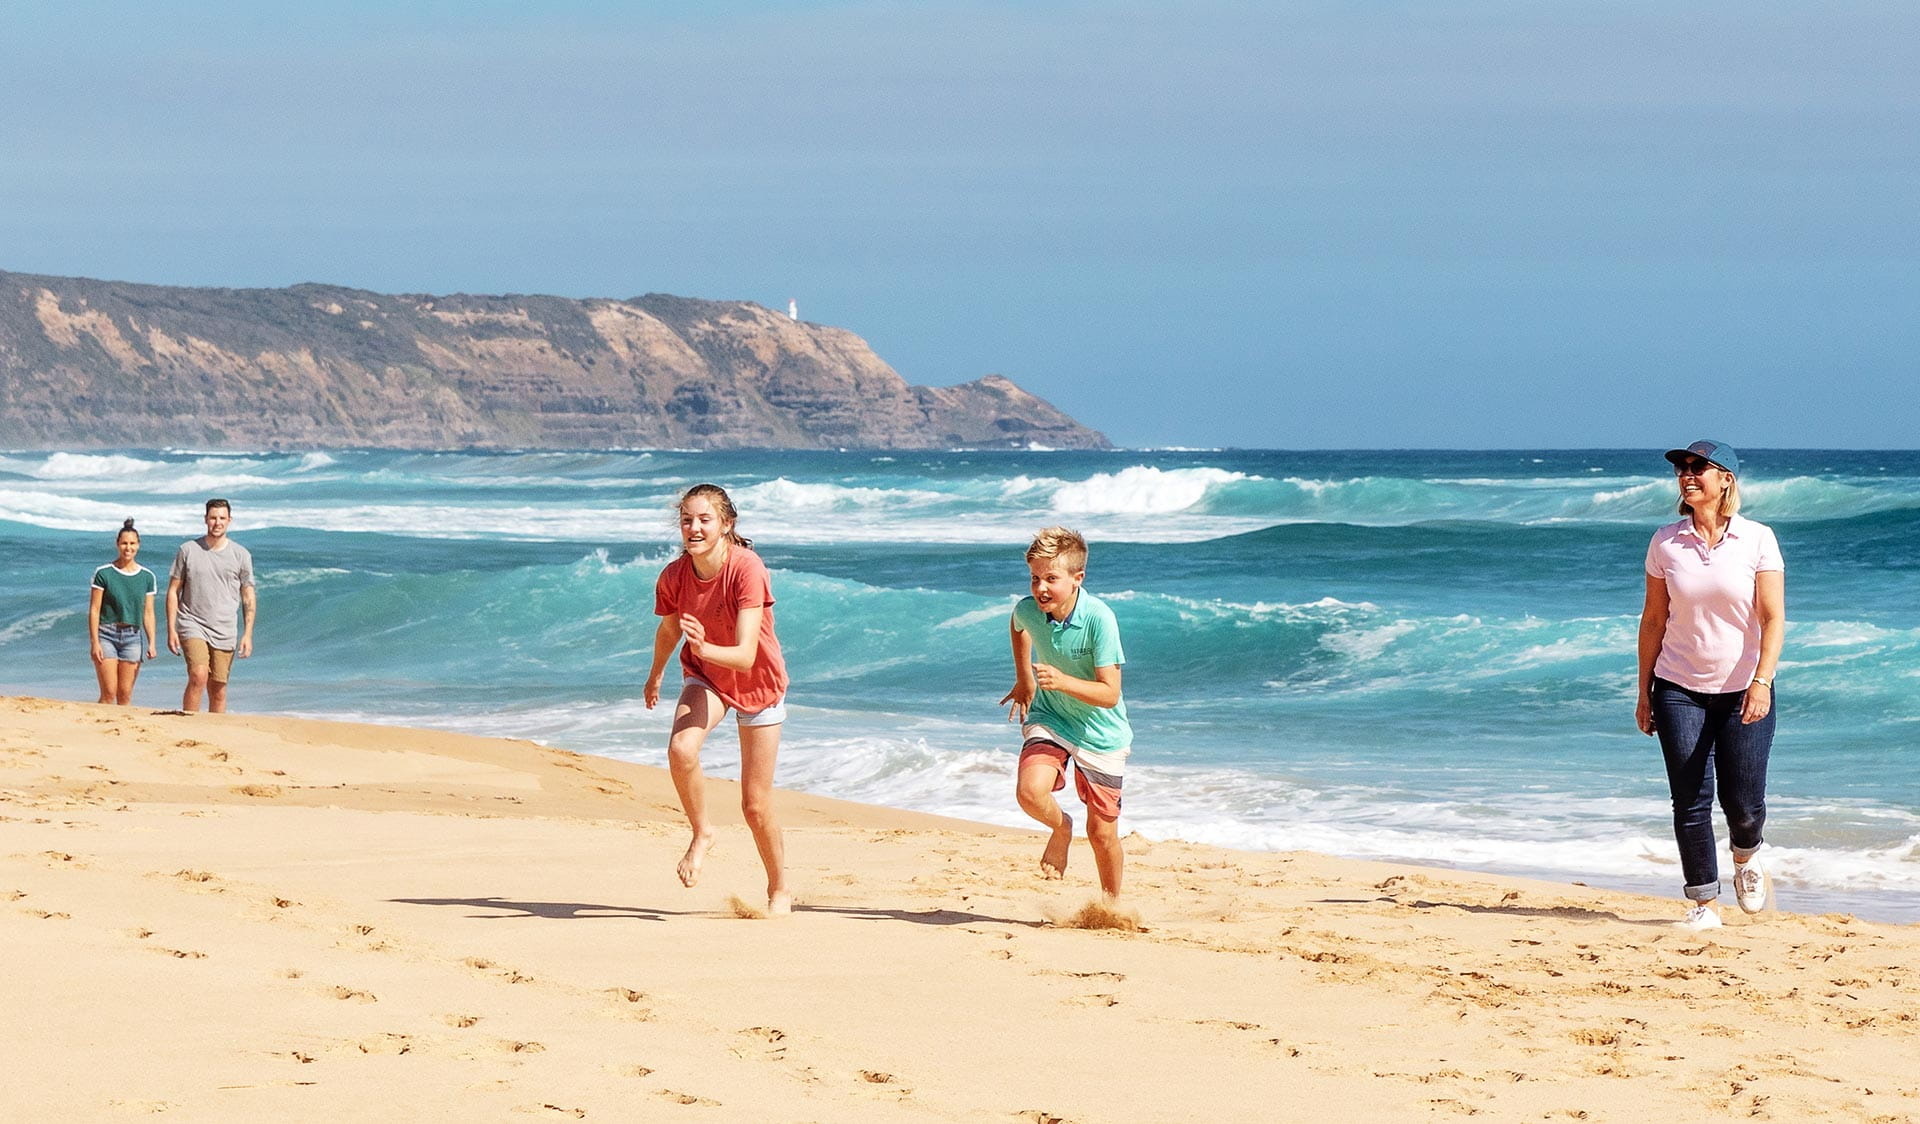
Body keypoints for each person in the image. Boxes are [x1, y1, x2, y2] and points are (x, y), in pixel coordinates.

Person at [1636, 440, 1785, 931]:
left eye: (1699, 467)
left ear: (1726, 480)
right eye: (1682, 468)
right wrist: (1644, 691)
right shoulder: (1665, 541)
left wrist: (1762, 681)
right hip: (1677, 686)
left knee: (1743, 803)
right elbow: (1654, 620)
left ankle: (1746, 855)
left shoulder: (1758, 538)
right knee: (1690, 798)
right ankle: (1703, 904)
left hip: (1744, 688)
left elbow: (1771, 617)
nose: (1687, 475)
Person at [644, 484, 792, 915]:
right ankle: (702, 831)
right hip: (706, 677)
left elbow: (746, 655)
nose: (694, 527)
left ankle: (779, 888)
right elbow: (669, 631)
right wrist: (655, 674)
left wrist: (705, 646)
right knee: (680, 748)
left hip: (759, 686)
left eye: (704, 519)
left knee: (754, 804)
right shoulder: (674, 576)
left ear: (726, 525)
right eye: (687, 520)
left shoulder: (746, 568)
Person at [999, 526, 1134, 899]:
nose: (1041, 588)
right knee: (1029, 792)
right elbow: (1018, 624)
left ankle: (1111, 905)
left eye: (1051, 579)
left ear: (1078, 579)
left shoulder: (1099, 619)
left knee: (1102, 834)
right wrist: (1025, 680)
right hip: (1052, 718)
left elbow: (1109, 694)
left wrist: (1061, 680)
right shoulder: (1030, 609)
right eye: (1035, 578)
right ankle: (1061, 829)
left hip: (1100, 733)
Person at [167, 497, 256, 714]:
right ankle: (189, 724)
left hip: (225, 627)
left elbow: (248, 596)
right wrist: (172, 629)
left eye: (222, 518)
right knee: (198, 675)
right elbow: (173, 591)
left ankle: (213, 733)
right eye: (213, 518)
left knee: (218, 689)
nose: (217, 522)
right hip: (192, 622)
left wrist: (247, 634)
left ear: (229, 520)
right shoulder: (188, 550)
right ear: (205, 519)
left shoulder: (241, 555)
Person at [88, 518, 158, 705]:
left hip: (132, 637)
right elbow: (94, 610)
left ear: (138, 545)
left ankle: (122, 733)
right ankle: (100, 728)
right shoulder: (104, 573)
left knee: (125, 694)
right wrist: (95, 642)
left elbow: (148, 613)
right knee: (109, 692)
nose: (128, 548)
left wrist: (152, 642)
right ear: (117, 544)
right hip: (107, 634)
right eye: (124, 543)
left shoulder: (147, 577)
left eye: (132, 543)